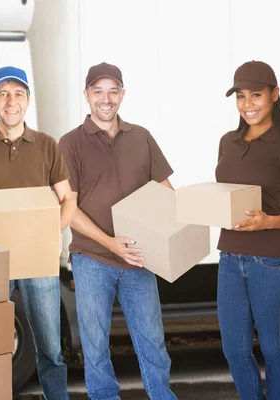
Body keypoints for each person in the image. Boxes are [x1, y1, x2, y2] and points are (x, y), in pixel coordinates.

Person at [59, 62, 178, 400]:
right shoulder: (70, 143)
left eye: (113, 91)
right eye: (98, 92)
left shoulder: (140, 137)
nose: (106, 99)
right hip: (92, 258)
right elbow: (69, 207)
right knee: (95, 346)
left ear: (122, 95)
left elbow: (166, 190)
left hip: (139, 257)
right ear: (87, 95)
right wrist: (111, 243)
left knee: (153, 341)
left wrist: (185, 223)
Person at [0, 66, 76, 400]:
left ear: (28, 101)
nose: (12, 101)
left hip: (38, 262)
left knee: (50, 348)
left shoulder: (46, 145)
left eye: (18, 94)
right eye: (4, 94)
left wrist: (53, 228)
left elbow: (68, 198)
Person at [216, 60, 280, 400]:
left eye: (256, 95)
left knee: (272, 348)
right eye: (241, 96)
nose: (248, 104)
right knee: (235, 350)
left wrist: (268, 221)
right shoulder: (227, 141)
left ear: (274, 94)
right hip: (229, 257)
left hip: (271, 262)